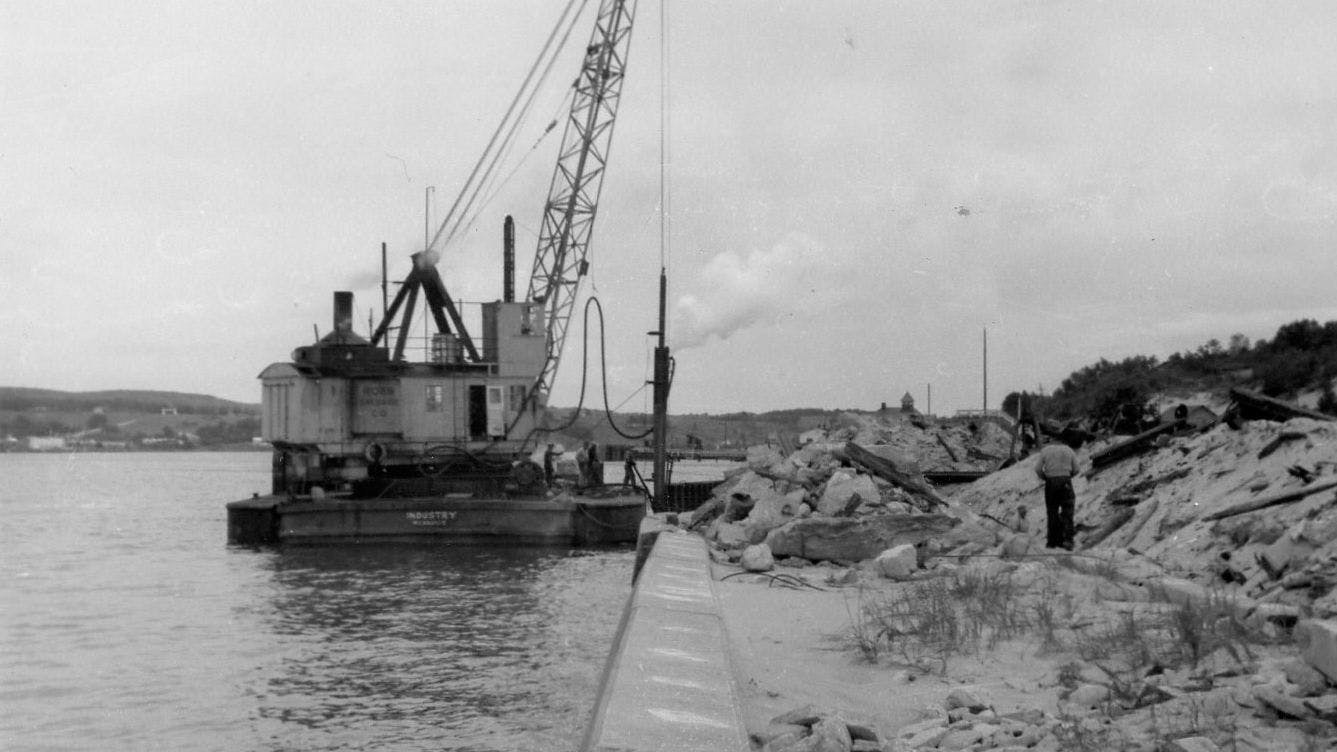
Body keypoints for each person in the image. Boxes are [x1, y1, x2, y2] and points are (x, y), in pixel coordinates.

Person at [1035, 435, 1081, 550]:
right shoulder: (1068, 450)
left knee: (1052, 512)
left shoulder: (1045, 450)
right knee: (1068, 511)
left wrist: (1046, 477)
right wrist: (1068, 476)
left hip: (1051, 482)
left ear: (1051, 440)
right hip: (1065, 480)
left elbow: (1037, 469)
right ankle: (1068, 541)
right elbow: (1077, 469)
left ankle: (1052, 542)